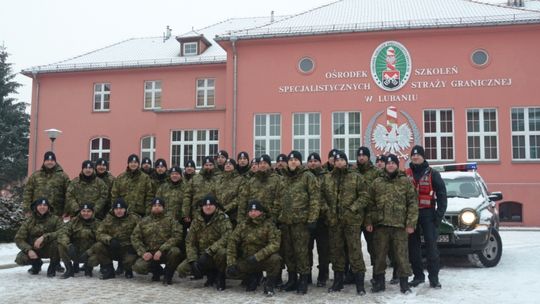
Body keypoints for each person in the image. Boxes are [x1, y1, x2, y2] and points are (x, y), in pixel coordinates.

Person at [366, 154, 418, 294]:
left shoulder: (405, 182)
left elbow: (413, 203)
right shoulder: (377, 182)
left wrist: (410, 223)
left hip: (399, 226)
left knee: (402, 256)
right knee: (380, 256)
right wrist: (369, 221)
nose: (390, 165)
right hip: (381, 225)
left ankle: (404, 284)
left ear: (397, 165)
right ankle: (379, 283)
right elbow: (370, 204)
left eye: (393, 163)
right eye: (388, 163)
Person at [321, 151, 369, 295]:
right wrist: (327, 211)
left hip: (351, 222)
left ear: (346, 162)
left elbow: (364, 196)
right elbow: (321, 197)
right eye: (337, 160)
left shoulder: (356, 177)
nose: (340, 162)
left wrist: (353, 208)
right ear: (333, 163)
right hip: (334, 222)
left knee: (355, 252)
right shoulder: (327, 179)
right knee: (336, 252)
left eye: (342, 160)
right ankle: (338, 282)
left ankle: (360, 284)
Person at [406, 145, 447, 289]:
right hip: (411, 215)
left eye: (418, 155)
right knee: (413, 248)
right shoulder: (406, 174)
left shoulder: (432, 174)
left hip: (428, 214)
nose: (415, 157)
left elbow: (442, 195)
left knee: (431, 247)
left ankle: (434, 278)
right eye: (413, 155)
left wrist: (438, 216)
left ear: (423, 157)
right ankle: (418, 276)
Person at [279, 150, 319, 294]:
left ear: (300, 162)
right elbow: (278, 199)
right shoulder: (283, 178)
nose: (293, 162)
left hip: (301, 223)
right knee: (288, 252)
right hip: (286, 222)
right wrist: (278, 216)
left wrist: (312, 219)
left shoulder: (307, 176)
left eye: (296, 159)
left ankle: (303, 280)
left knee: (301, 252)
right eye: (290, 160)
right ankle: (292, 280)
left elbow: (315, 199)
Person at [177, 195, 232, 291]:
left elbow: (227, 237)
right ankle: (208, 275)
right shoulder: (197, 220)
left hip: (214, 253)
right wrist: (192, 260)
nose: (208, 207)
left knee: (223, 253)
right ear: (202, 207)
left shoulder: (222, 218)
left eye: (211, 205)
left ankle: (220, 277)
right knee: (182, 269)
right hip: (200, 255)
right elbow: (190, 241)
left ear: (215, 206)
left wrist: (209, 251)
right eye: (205, 205)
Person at [226, 200, 281, 296]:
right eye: (251, 211)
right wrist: (231, 263)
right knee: (229, 271)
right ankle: (251, 278)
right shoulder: (242, 225)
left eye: (256, 211)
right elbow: (232, 241)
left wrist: (258, 256)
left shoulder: (269, 225)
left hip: (262, 260)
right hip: (247, 260)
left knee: (276, 259)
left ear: (261, 212)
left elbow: (274, 244)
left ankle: (269, 284)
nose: (253, 213)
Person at [132, 198, 183, 284]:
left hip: (165, 252)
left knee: (175, 252)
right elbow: (135, 237)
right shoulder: (144, 221)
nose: (157, 207)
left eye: (159, 206)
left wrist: (161, 249)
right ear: (151, 207)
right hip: (150, 253)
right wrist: (143, 252)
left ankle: (168, 275)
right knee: (138, 267)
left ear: (163, 208)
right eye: (154, 206)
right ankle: (157, 271)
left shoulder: (171, 220)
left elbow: (177, 236)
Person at [91, 198, 139, 280]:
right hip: (113, 247)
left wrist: (133, 245)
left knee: (129, 260)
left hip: (127, 248)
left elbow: (140, 233)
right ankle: (109, 270)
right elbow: (99, 233)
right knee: (98, 246)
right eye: (116, 209)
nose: (119, 211)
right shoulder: (108, 219)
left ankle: (128, 270)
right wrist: (110, 239)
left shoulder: (134, 218)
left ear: (125, 209)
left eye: (121, 209)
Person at [15, 198, 63, 277]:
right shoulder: (29, 221)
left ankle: (53, 266)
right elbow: (19, 238)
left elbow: (62, 232)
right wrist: (29, 250)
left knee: (59, 244)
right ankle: (36, 264)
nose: (42, 207)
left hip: (51, 248)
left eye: (45, 205)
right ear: (36, 207)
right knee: (21, 259)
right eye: (40, 205)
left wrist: (44, 237)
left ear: (48, 207)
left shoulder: (55, 219)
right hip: (34, 249)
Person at [354, 147, 380, 283]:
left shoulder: (376, 173)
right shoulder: (353, 172)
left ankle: (377, 275)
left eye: (364, 155)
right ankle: (353, 275)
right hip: (355, 216)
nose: (361, 157)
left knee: (373, 247)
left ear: (369, 157)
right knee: (353, 246)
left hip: (371, 216)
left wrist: (372, 217)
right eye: (359, 155)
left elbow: (378, 196)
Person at [306, 152, 330, 287]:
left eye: (316, 160)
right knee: (306, 249)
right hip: (307, 219)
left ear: (320, 162)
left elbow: (330, 196)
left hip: (322, 220)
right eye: (310, 161)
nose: (313, 163)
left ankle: (323, 275)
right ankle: (307, 274)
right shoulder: (304, 176)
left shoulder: (326, 177)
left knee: (323, 250)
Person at [23, 151, 70, 219]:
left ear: (55, 161)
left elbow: (69, 194)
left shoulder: (63, 176)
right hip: (37, 214)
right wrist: (27, 209)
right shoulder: (35, 176)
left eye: (52, 160)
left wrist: (67, 210)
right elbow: (27, 192)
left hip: (56, 214)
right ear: (44, 161)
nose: (49, 162)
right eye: (47, 160)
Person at [58, 202, 99, 278]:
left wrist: (89, 252)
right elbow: (63, 233)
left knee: (99, 250)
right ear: (80, 212)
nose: (85, 213)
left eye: (88, 211)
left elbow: (100, 240)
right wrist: (68, 245)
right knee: (61, 245)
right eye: (83, 211)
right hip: (74, 251)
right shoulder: (73, 221)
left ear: (92, 212)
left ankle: (88, 268)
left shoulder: (98, 224)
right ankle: (69, 270)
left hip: (89, 253)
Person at [237, 155, 282, 224]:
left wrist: (273, 219)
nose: (262, 165)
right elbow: (243, 200)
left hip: (270, 219)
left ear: (269, 165)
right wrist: (241, 219)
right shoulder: (252, 180)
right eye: (260, 163)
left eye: (265, 163)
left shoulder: (277, 179)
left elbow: (279, 200)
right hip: (252, 218)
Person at [182, 156, 218, 226]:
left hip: (215, 213)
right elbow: (187, 197)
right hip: (197, 213)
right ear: (203, 166)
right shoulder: (195, 179)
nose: (208, 167)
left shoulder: (219, 179)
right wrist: (186, 214)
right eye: (206, 165)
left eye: (210, 165)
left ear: (214, 166)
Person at [216, 158, 245, 225]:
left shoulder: (240, 180)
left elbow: (240, 197)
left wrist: (227, 208)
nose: (228, 165)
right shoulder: (218, 180)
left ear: (234, 167)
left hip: (233, 215)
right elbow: (213, 193)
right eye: (226, 164)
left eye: (230, 164)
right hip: (218, 214)